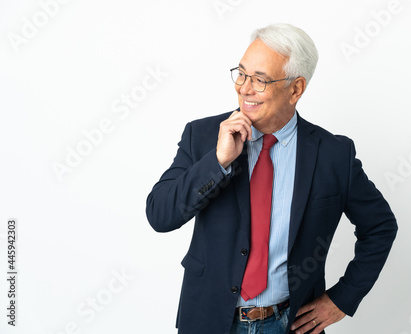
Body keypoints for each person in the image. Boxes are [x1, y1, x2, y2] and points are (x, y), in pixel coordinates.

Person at [146, 23, 397, 334]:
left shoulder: (334, 155)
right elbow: (160, 215)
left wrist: (342, 299)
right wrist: (218, 161)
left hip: (288, 324)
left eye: (260, 80)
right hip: (208, 321)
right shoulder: (203, 136)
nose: (244, 88)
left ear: (295, 89)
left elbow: (381, 226)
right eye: (241, 74)